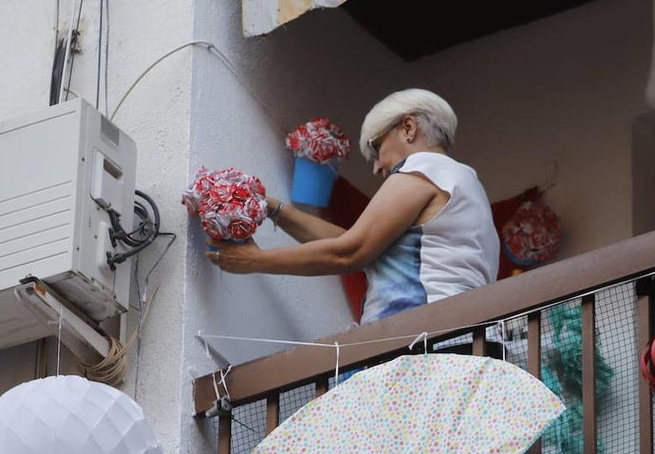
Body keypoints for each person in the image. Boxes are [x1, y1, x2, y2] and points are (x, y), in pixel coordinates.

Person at [206, 88, 500, 324]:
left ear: (408, 127)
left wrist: (256, 261)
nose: (376, 168)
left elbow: (350, 252)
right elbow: (351, 243)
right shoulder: (459, 180)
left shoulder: (423, 167)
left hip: (424, 340)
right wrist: (274, 209)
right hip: (455, 334)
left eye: (375, 148)